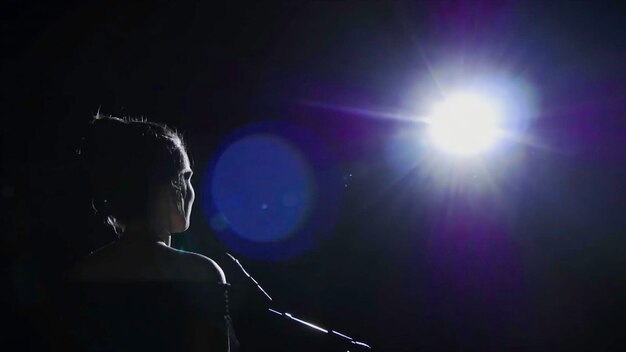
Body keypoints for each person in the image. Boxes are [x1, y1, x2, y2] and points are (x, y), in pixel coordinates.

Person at [63, 114, 238, 351]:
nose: (191, 192)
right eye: (186, 177)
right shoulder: (201, 273)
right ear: (168, 186)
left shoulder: (83, 273)